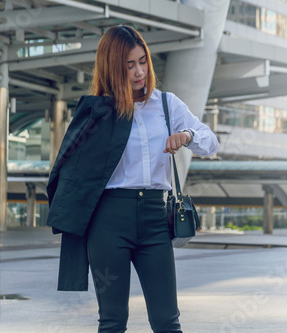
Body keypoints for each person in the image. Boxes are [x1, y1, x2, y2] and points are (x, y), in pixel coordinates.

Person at [46, 25, 219, 333]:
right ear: (113, 68)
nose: (140, 71)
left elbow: (211, 141)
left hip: (155, 220)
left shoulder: (167, 104)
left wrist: (186, 135)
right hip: (108, 222)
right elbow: (73, 171)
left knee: (167, 321)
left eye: (143, 61)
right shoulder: (98, 113)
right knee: (112, 322)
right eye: (129, 65)